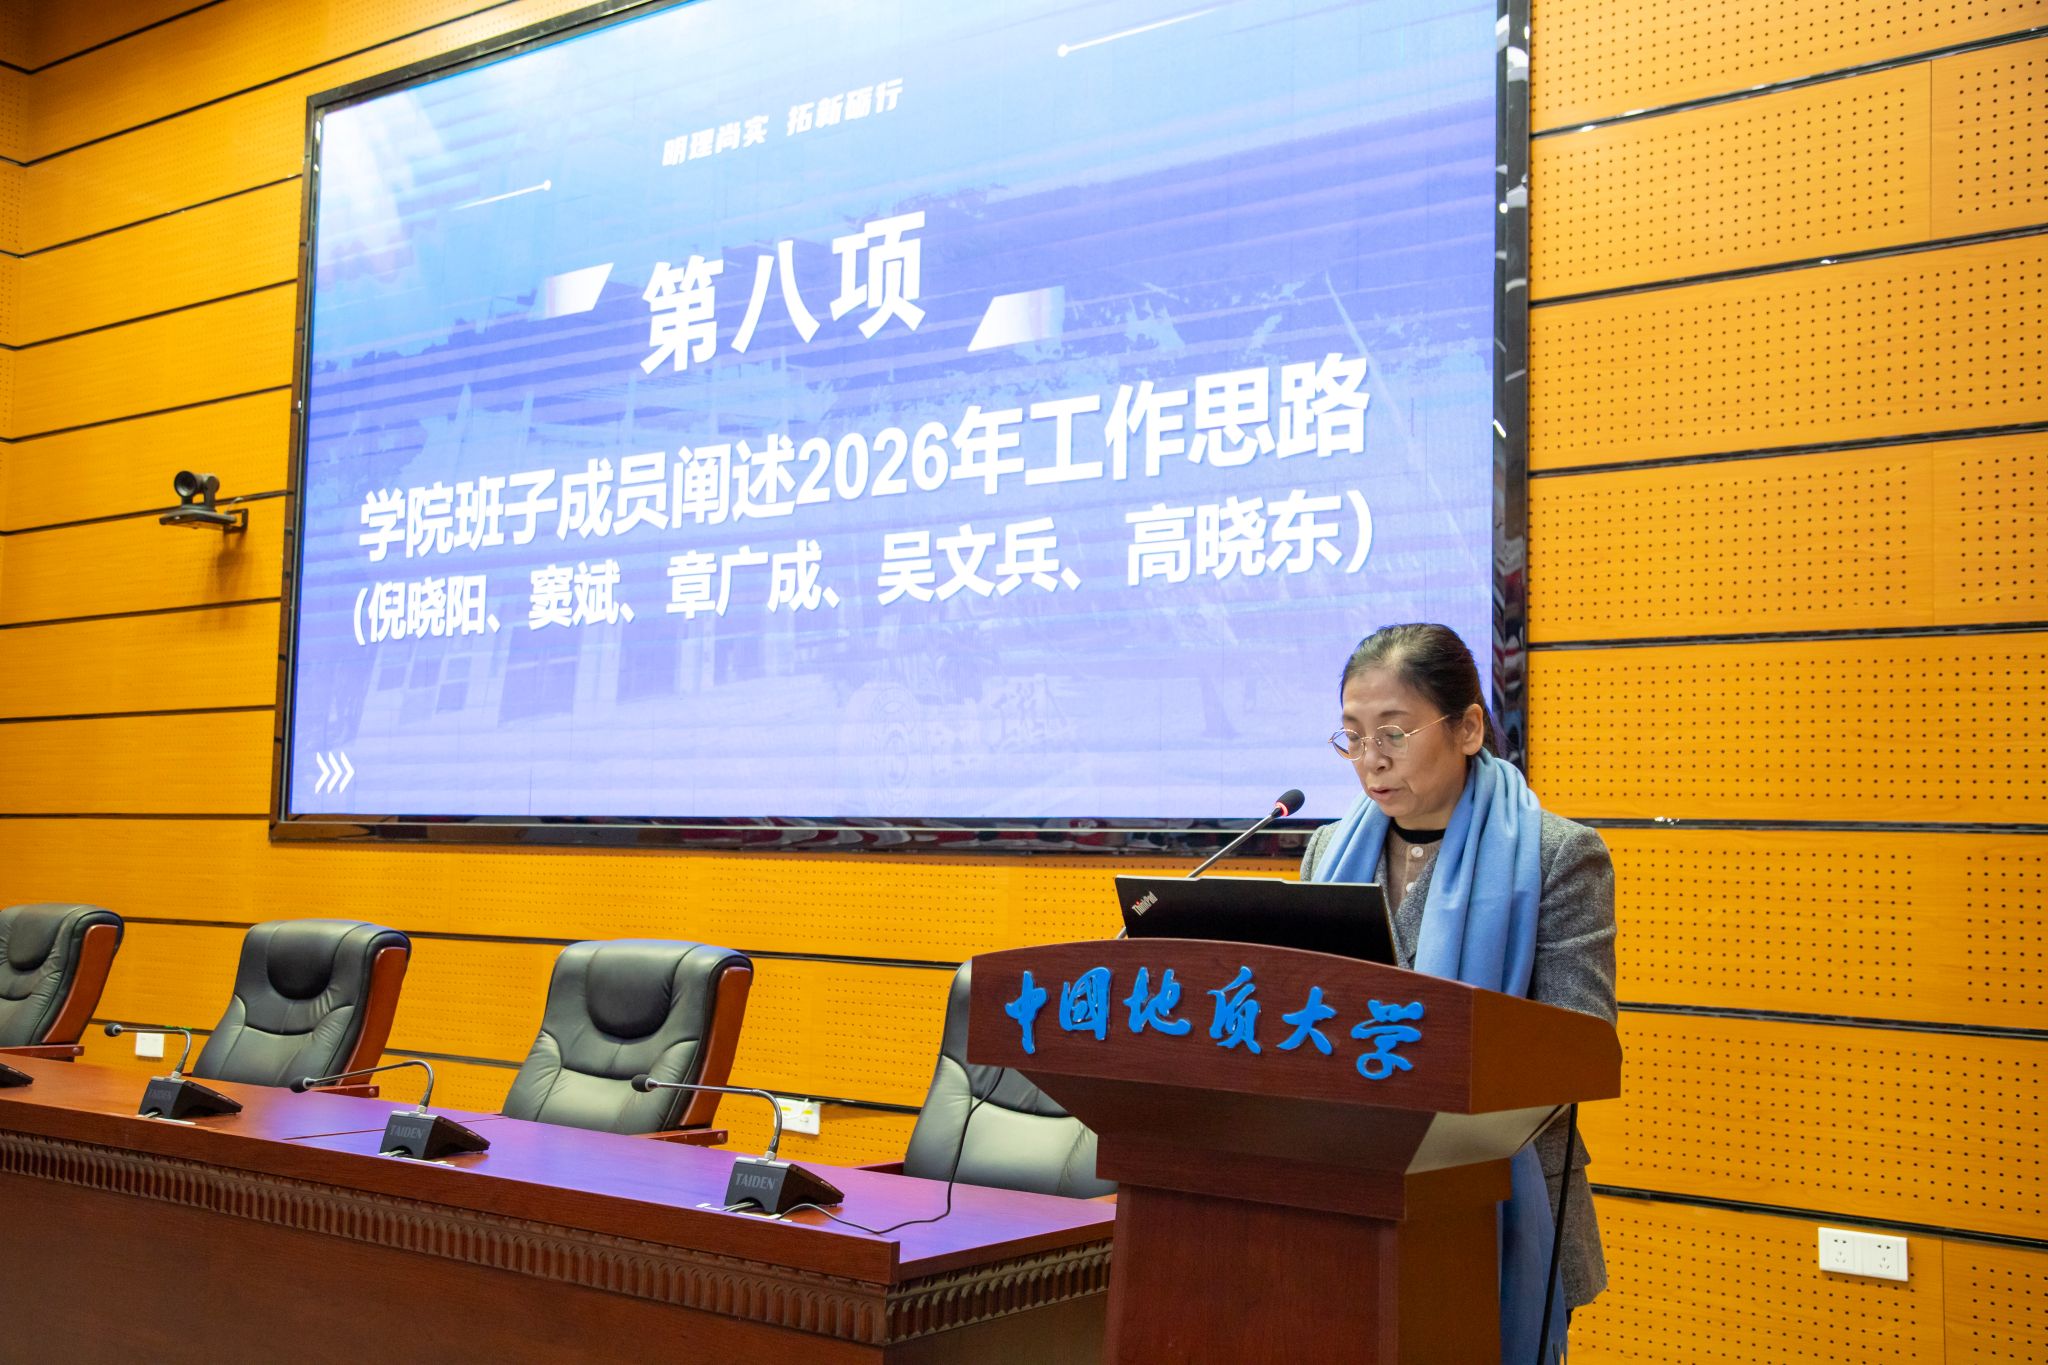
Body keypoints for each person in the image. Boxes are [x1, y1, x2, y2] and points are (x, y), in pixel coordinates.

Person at [1299, 622, 1616, 1363]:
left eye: (1394, 732)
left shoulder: (1558, 854)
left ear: (1468, 727)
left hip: (1500, 1191)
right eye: (1353, 736)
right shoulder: (1327, 849)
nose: (1371, 759)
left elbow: (1580, 1042)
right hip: (1346, 1188)